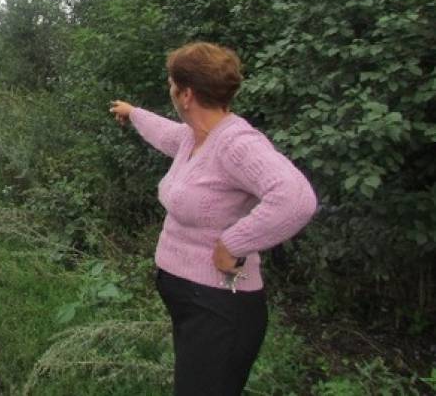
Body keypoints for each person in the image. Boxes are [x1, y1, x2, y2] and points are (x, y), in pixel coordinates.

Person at [108, 42, 317, 396]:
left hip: (220, 311)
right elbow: (165, 133)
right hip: (195, 304)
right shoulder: (195, 138)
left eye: (172, 84)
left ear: (186, 94)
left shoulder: (236, 144)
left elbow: (296, 199)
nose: (170, 91)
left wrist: (233, 244)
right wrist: (133, 113)